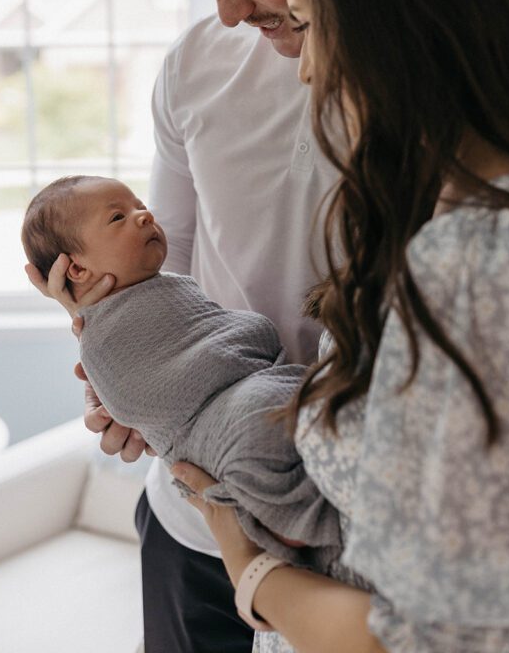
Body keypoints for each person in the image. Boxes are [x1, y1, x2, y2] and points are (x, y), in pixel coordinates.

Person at [171, 0, 509, 653]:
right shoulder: (459, 217)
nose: (306, 72)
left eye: (307, 24)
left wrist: (245, 561)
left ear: (385, 27)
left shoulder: (496, 261)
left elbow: (423, 641)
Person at [25, 0, 355, 653]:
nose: (228, 10)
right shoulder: (197, 66)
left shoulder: (438, 89)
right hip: (193, 511)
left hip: (350, 518)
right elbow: (154, 266)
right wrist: (117, 362)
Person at [21, 174, 341, 567]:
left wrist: (245, 340)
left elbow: (219, 332)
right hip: (221, 429)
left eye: (139, 205)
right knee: (261, 449)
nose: (144, 215)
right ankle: (295, 522)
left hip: (272, 382)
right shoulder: (102, 336)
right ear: (77, 270)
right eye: (118, 217)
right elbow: (140, 397)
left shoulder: (170, 286)